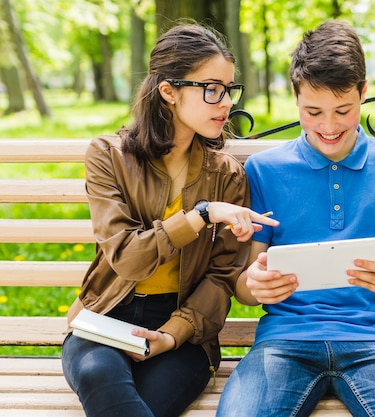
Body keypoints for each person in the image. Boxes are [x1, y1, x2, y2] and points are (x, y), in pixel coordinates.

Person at [217, 20, 375, 417]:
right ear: (295, 97)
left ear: (363, 92)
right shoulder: (264, 170)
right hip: (283, 341)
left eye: (343, 110)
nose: (329, 126)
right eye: (313, 111)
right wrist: (255, 285)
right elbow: (244, 285)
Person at [61, 23, 278, 417]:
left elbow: (221, 276)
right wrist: (200, 215)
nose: (225, 102)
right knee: (98, 375)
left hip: (184, 329)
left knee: (147, 402)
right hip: (105, 318)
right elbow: (126, 257)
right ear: (169, 91)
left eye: (229, 89)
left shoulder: (226, 174)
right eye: (212, 89)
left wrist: (171, 335)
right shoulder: (108, 156)